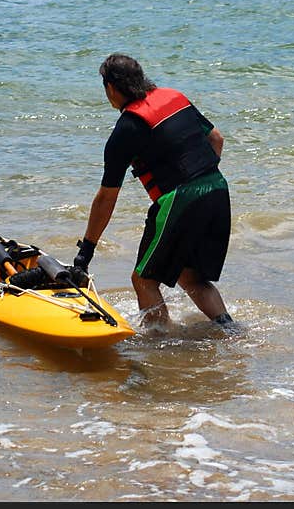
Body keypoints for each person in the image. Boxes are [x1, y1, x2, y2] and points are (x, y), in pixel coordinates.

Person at [73, 53, 234, 329]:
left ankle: (159, 348)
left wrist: (85, 252)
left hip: (181, 199)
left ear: (111, 88)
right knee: (190, 276)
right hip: (217, 188)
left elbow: (107, 197)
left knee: (143, 280)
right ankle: (231, 332)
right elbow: (216, 138)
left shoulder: (127, 128)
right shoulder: (174, 97)